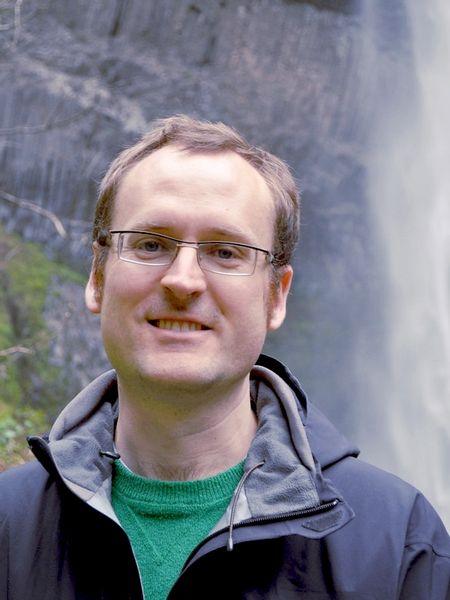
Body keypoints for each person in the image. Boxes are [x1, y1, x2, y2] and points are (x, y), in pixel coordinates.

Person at [0, 115, 448, 600]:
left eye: (226, 252)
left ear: (276, 296)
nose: (183, 280)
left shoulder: (399, 544)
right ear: (98, 277)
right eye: (150, 244)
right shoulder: (7, 526)